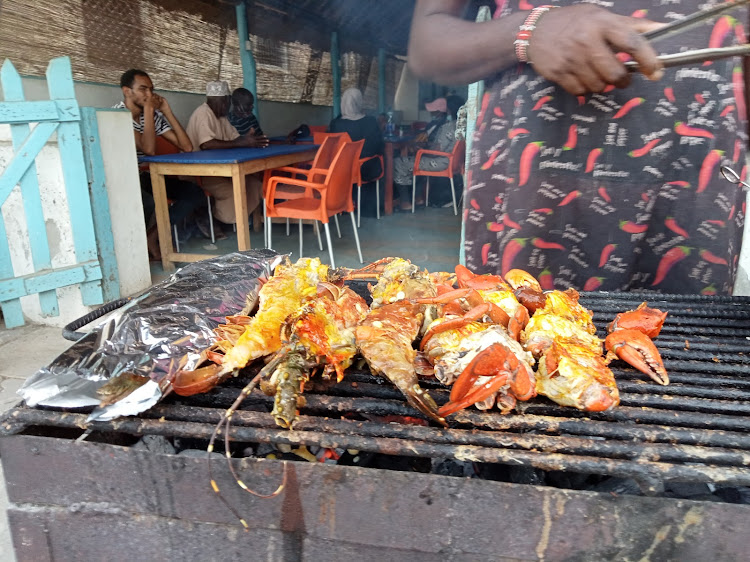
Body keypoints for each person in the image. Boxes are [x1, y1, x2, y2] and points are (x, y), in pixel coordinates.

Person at [408, 1, 747, 295]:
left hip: (695, 189)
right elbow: (426, 48)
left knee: (686, 345)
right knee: (512, 340)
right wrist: (531, 29)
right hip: (531, 190)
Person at [115, 69, 207, 260]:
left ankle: (153, 236)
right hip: (123, 178)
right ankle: (137, 252)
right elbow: (148, 149)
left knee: (194, 193)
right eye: (143, 89)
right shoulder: (117, 115)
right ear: (127, 91)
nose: (149, 95)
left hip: (146, 176)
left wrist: (166, 110)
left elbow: (187, 146)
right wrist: (149, 110)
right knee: (150, 201)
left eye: (151, 89)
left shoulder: (153, 116)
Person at [186, 80, 269, 232]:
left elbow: (236, 139)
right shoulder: (204, 113)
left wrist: (248, 140)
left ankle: (232, 219)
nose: (229, 106)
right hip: (201, 172)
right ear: (222, 100)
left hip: (220, 168)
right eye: (228, 101)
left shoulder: (222, 118)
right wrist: (242, 143)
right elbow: (207, 144)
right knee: (233, 191)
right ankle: (213, 219)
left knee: (254, 184)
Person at [393, 96, 463, 210]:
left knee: (398, 162)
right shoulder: (463, 126)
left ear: (448, 110)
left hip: (441, 162)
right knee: (416, 161)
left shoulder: (448, 126)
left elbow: (436, 152)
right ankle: (418, 198)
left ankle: (405, 203)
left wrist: (420, 150)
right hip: (454, 163)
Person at [329, 88, 385, 215]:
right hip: (365, 169)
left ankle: (346, 204)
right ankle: (377, 205)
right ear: (359, 102)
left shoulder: (336, 123)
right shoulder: (370, 121)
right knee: (383, 160)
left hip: (340, 170)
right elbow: (378, 147)